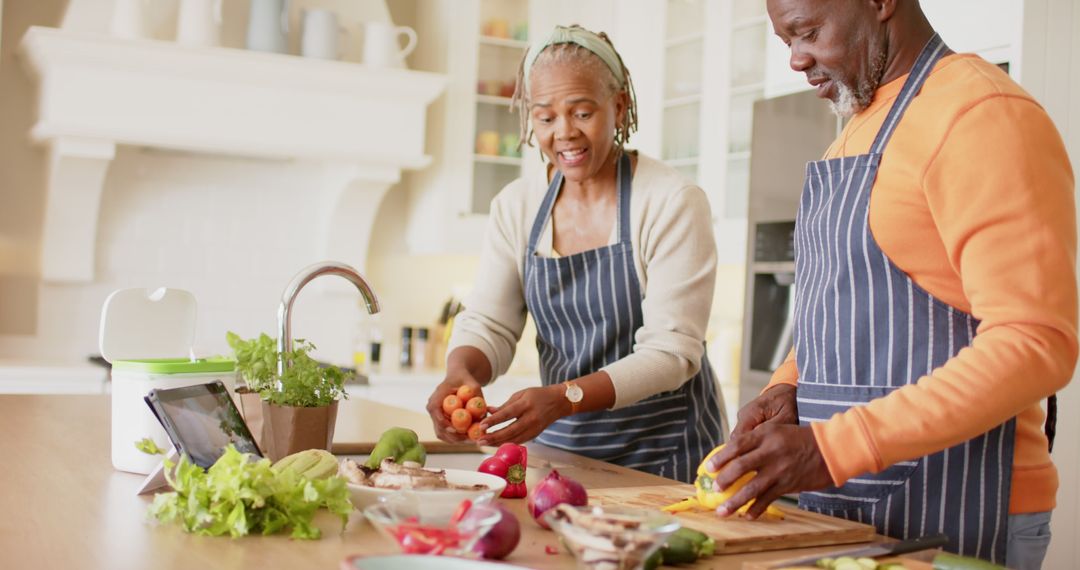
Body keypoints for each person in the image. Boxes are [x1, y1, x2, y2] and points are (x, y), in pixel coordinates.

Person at [705, 1, 1077, 568]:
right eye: (786, 42)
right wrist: (789, 386)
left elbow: (1035, 342)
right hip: (848, 505)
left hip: (961, 509)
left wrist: (831, 447)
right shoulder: (857, 130)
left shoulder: (981, 113)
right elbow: (843, 309)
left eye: (807, 33)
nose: (797, 59)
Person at [425, 25, 727, 483]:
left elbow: (671, 352)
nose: (564, 133)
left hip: (667, 458)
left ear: (619, 106)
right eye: (545, 118)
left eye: (582, 112)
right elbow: (490, 321)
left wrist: (563, 397)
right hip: (564, 455)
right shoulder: (517, 205)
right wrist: (460, 371)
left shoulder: (670, 200)